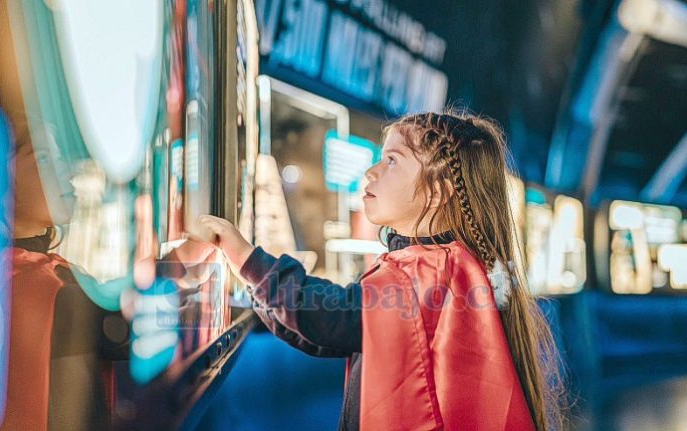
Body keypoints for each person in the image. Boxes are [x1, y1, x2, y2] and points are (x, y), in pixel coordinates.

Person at [198, 110, 567, 431]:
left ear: (438, 192)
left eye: (391, 160)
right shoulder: (448, 266)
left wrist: (244, 256)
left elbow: (334, 317)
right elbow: (337, 335)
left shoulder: (429, 270)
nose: (371, 172)